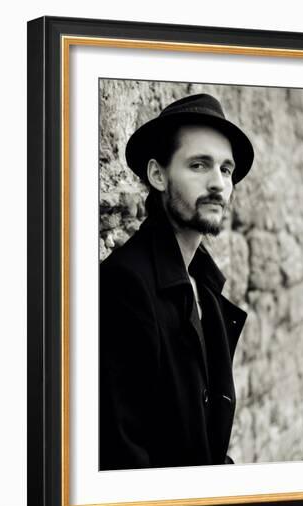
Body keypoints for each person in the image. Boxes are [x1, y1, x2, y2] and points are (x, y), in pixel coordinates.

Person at [99, 93, 254, 470]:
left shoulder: (204, 282)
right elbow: (124, 455)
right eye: (199, 165)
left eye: (226, 169)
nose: (218, 183)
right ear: (158, 175)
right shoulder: (125, 284)